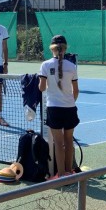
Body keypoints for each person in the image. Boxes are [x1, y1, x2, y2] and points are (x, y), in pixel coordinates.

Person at [38, 35, 80, 179]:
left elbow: (42, 88)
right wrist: (69, 101)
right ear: (65, 48)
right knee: (69, 142)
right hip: (70, 108)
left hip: (54, 108)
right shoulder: (72, 66)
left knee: (58, 142)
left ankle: (61, 174)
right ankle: (69, 172)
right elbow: (76, 90)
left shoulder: (45, 65)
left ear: (52, 49)